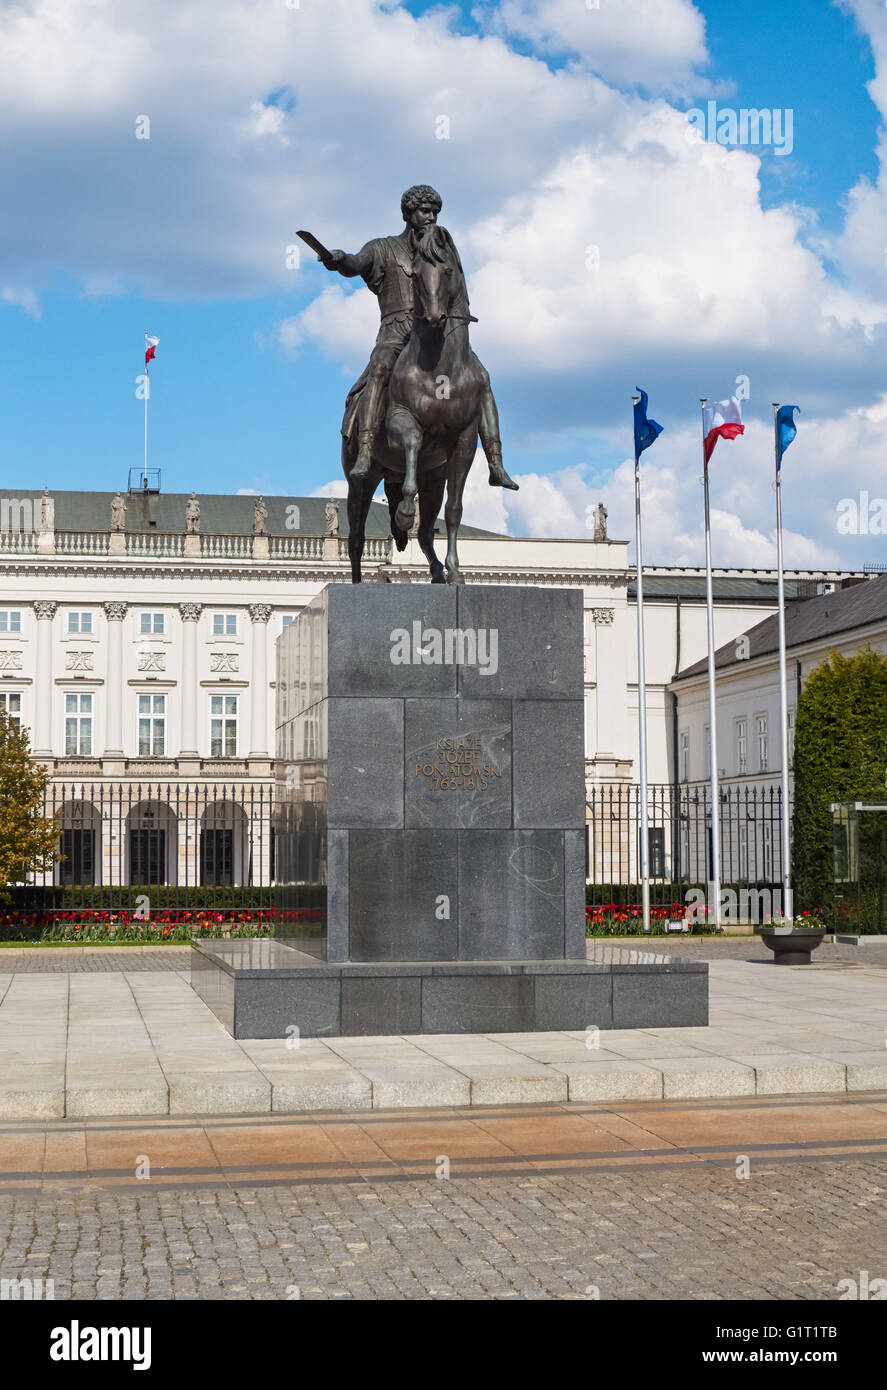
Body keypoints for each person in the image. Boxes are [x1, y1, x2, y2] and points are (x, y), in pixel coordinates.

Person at [317, 184, 517, 490]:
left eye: (435, 212)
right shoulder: (383, 248)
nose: (431, 217)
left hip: (438, 336)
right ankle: (367, 449)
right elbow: (356, 264)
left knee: (482, 376)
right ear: (407, 214)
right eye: (425, 211)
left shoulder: (439, 250)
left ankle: (496, 463)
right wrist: (340, 258)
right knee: (382, 366)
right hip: (397, 333)